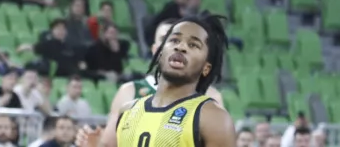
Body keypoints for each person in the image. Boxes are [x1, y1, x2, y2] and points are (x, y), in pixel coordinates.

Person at [81, 14, 236, 147]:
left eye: (193, 45)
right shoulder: (127, 111)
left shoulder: (213, 119)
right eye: (174, 40)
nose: (181, 47)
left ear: (206, 68)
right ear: (160, 52)